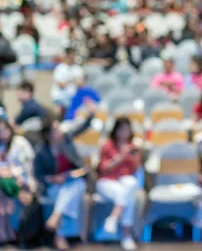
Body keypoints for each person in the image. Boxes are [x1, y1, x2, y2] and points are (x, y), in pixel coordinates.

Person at [34, 99, 96, 250]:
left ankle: (56, 222)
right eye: (55, 130)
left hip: (73, 179)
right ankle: (62, 233)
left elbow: (84, 126)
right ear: (48, 135)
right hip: (54, 185)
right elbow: (39, 175)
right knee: (62, 194)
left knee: (76, 185)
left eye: (58, 128)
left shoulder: (66, 138)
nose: (59, 132)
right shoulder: (41, 151)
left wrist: (91, 112)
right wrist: (53, 178)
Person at [96, 117, 142, 251]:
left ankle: (113, 219)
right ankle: (126, 236)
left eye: (127, 129)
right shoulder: (107, 145)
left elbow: (135, 170)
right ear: (115, 130)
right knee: (128, 196)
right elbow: (103, 169)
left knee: (130, 183)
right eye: (121, 129)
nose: (124, 132)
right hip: (107, 182)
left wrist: (136, 155)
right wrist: (120, 157)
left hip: (124, 182)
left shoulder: (133, 146)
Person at [0, 119, 36, 244]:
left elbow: (28, 168)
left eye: (4, 129)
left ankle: (7, 232)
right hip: (7, 182)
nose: (2, 133)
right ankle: (6, 232)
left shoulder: (20, 143)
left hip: (23, 181)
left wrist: (25, 184)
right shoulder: (2, 145)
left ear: (10, 129)